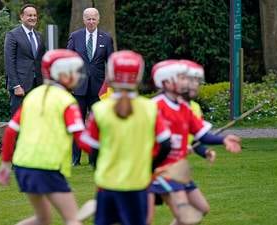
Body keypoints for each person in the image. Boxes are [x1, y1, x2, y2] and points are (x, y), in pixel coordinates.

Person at [0, 49, 93, 225]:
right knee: (72, 220)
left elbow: (10, 131)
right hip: (46, 168)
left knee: (43, 219)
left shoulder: (33, 96)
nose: (78, 76)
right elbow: (82, 140)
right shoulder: (67, 102)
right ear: (62, 74)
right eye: (75, 71)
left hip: (24, 167)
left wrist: (5, 165)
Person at [147, 60, 242, 225]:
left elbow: (201, 134)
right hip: (160, 171)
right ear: (166, 82)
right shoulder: (154, 106)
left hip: (178, 170)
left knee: (201, 209)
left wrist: (223, 139)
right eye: (182, 78)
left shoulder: (184, 107)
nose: (187, 82)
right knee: (183, 216)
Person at [82, 50, 172, 225]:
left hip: (107, 185)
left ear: (111, 75)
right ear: (138, 76)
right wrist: (149, 168)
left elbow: (93, 150)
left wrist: (100, 168)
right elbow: (166, 144)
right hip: (138, 184)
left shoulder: (100, 110)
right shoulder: (150, 108)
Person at [67, 7, 114, 166]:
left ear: (98, 20)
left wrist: (109, 85)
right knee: (77, 124)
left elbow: (111, 63)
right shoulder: (75, 37)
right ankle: (75, 158)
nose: (91, 21)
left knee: (97, 124)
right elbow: (68, 60)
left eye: (94, 18)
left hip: (98, 90)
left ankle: (95, 159)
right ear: (84, 20)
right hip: (78, 88)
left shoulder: (106, 39)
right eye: (88, 18)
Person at [4, 3, 46, 116]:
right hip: (20, 86)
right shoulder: (12, 35)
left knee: (35, 117)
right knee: (19, 119)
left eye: (34, 15)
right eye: (29, 15)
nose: (32, 18)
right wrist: (16, 86)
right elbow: (9, 62)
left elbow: (41, 61)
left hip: (37, 85)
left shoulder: (39, 36)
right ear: (22, 17)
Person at [179, 59, 216, 164]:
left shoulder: (195, 108)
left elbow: (194, 139)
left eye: (197, 81)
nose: (195, 85)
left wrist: (205, 151)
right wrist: (176, 148)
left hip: (175, 166)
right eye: (191, 81)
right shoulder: (160, 106)